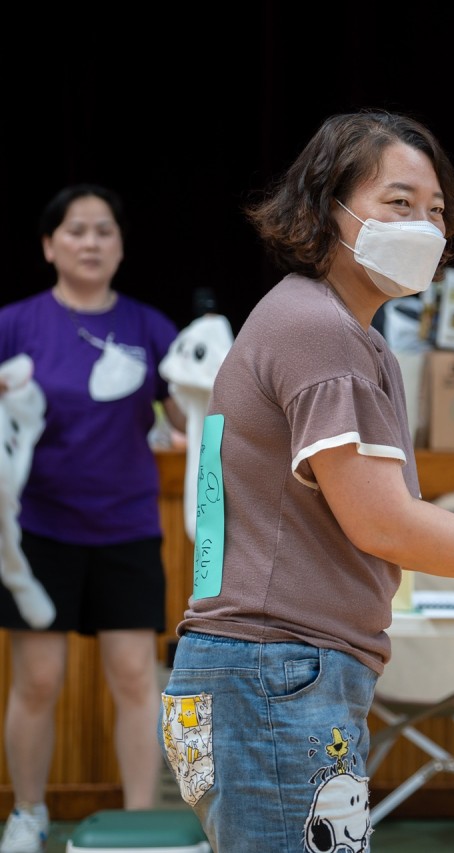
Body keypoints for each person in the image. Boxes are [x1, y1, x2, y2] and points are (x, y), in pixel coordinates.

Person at [157, 108, 454, 852]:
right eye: (399, 202)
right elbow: (384, 524)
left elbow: (385, 512)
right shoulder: (318, 329)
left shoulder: (342, 331)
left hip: (270, 672)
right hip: (273, 672)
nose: (424, 225)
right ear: (329, 207)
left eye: (436, 210)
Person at [0, 184, 184, 853]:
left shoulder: (149, 326)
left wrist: (197, 399)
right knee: (38, 680)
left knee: (134, 677)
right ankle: (28, 813)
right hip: (37, 530)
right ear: (49, 245)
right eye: (76, 230)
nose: (91, 242)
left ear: (121, 246)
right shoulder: (15, 324)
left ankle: (140, 823)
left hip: (126, 525)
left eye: (104, 230)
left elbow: (188, 412)